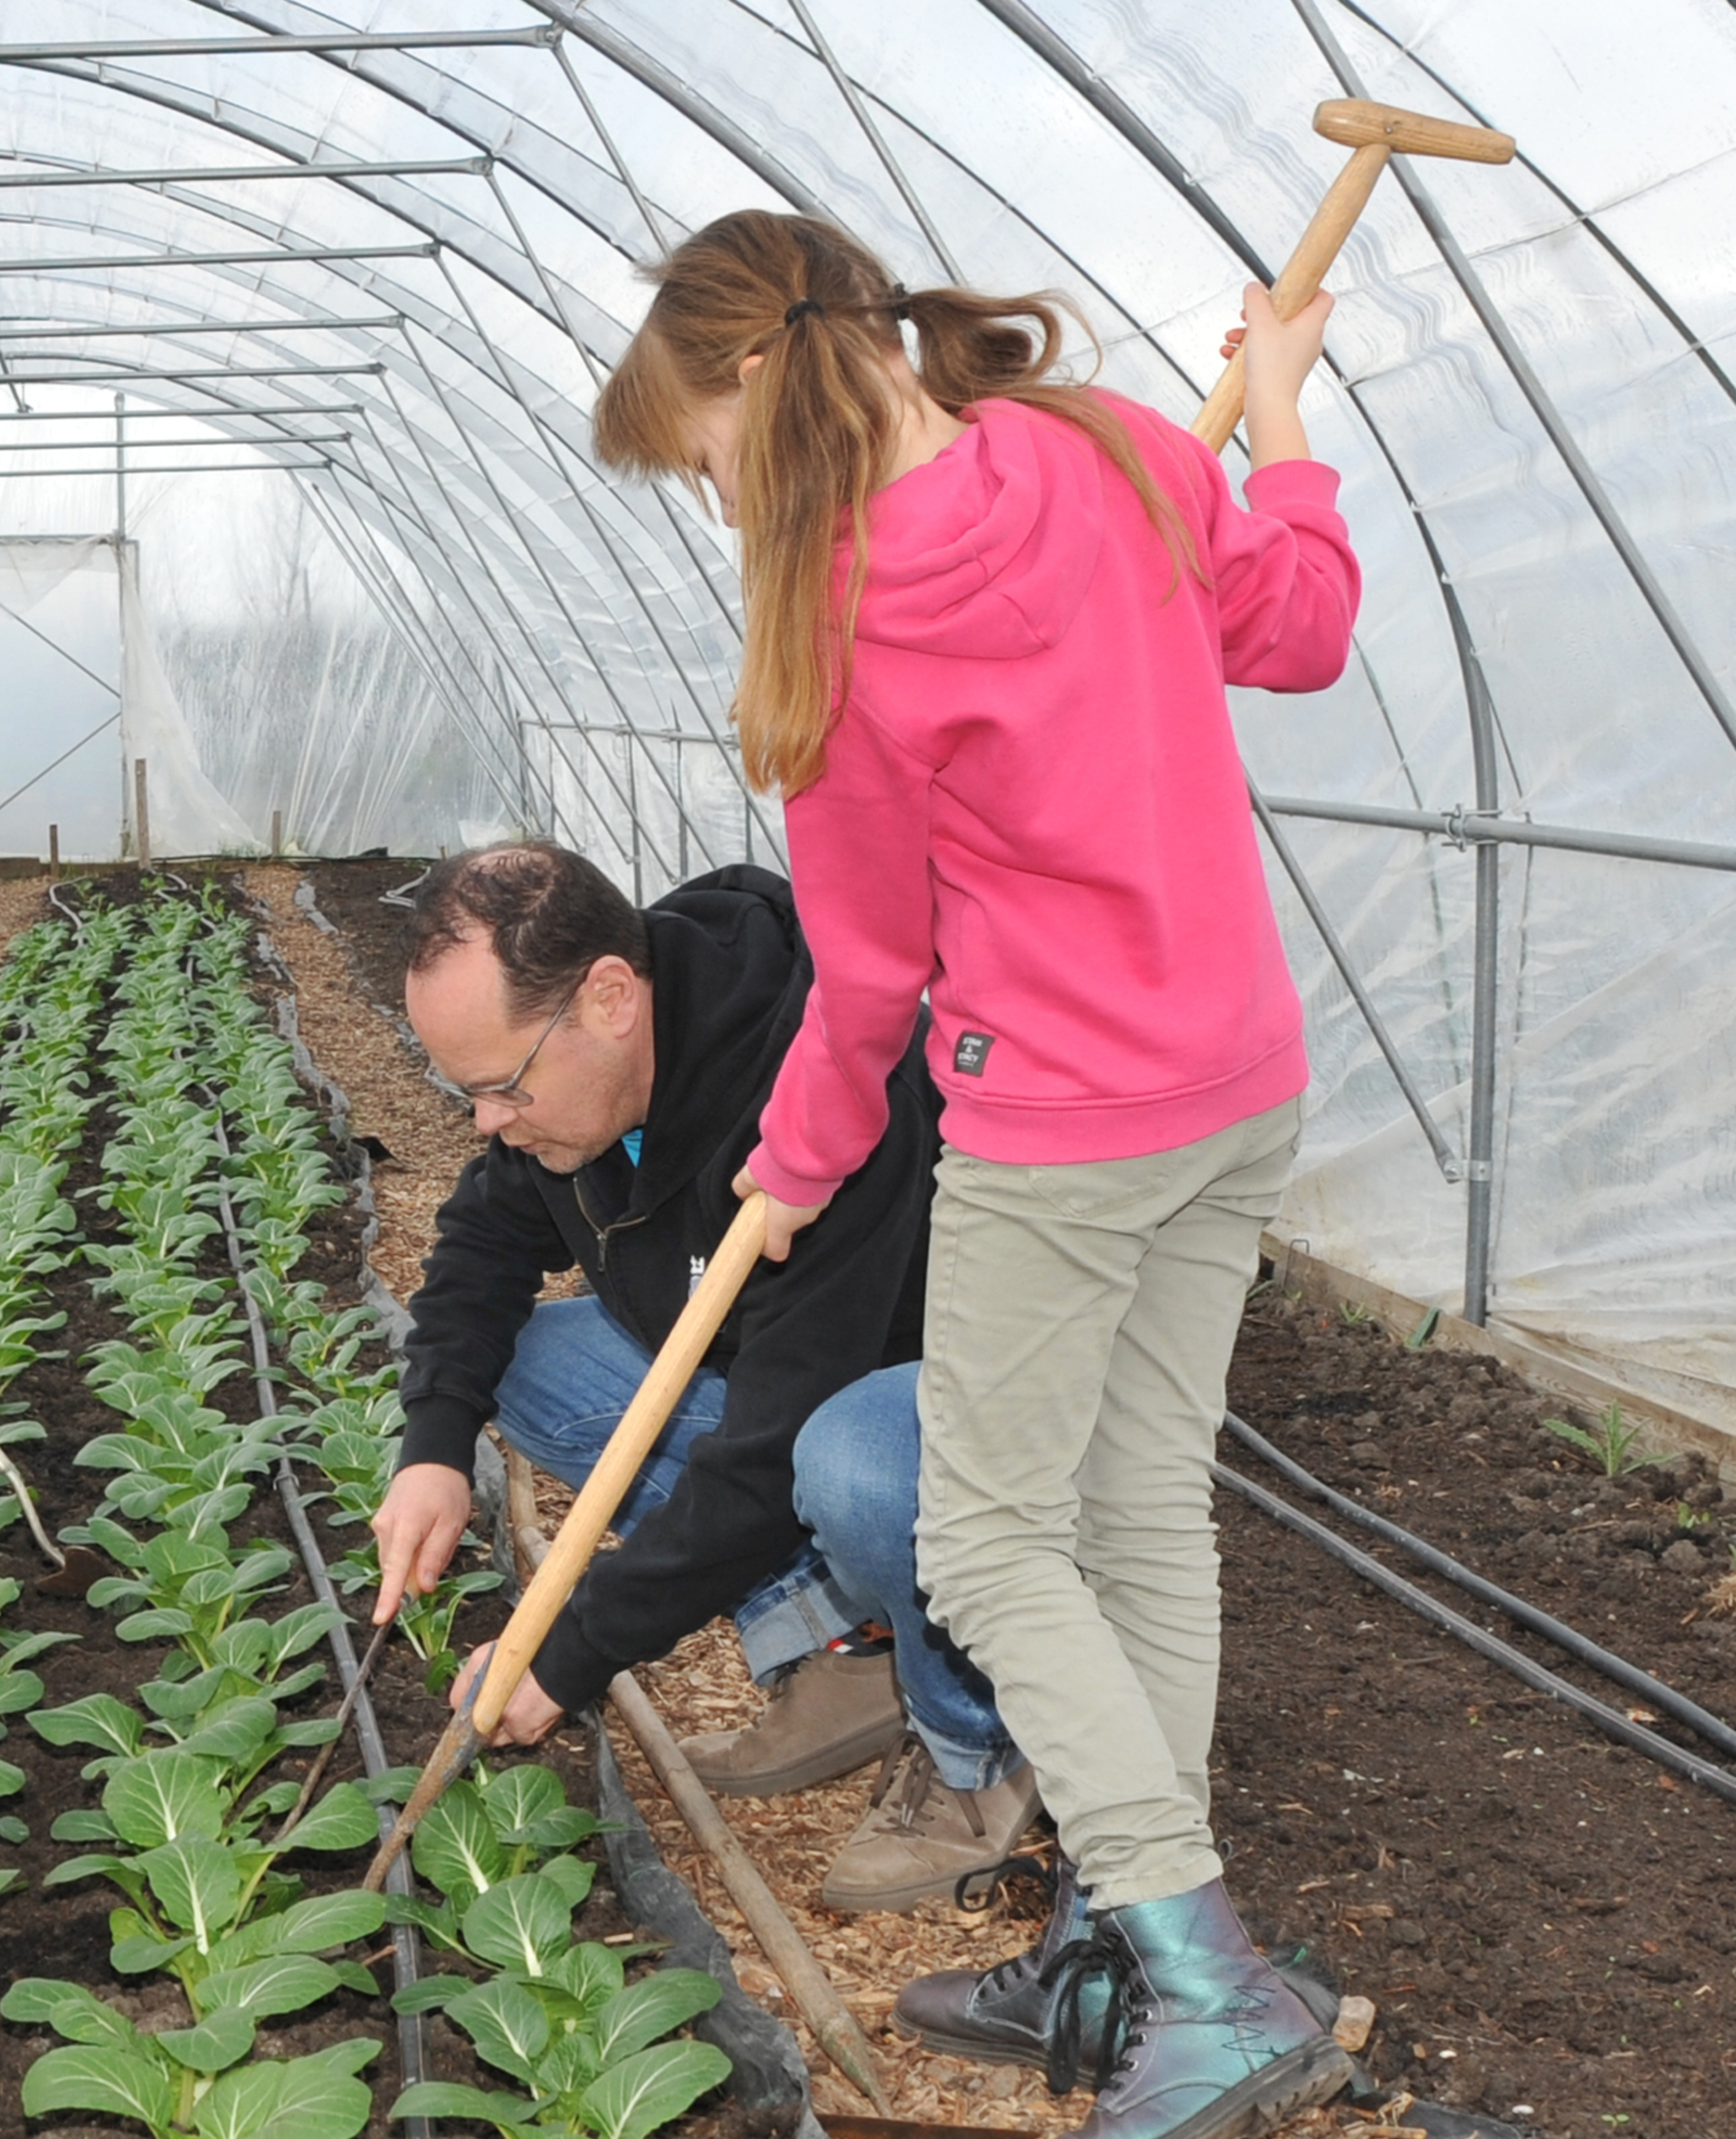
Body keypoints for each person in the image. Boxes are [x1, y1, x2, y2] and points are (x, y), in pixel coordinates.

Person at [593, 211, 1361, 2139]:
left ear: (756, 383)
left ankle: (1205, 1979)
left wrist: (786, 1166)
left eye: (699, 458)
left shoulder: (837, 621)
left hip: (1067, 1127)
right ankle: (1118, 1938)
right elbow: (1305, 625)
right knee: (1137, 1520)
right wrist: (1283, 429)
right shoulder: (1105, 444)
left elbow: (870, 981)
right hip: (1234, 1076)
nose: (713, 503)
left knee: (995, 1541)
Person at [364, 841, 1032, 1912]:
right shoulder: (580, 1090)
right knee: (532, 1366)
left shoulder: (823, 1088)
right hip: (798, 1387)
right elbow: (480, 1248)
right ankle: (846, 1653)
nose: (488, 1123)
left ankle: (979, 1739)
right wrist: (435, 1448)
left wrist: (566, 1650)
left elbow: (770, 1454)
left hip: (976, 1404)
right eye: (469, 1094)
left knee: (848, 1463)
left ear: (611, 998)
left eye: (501, 1087)